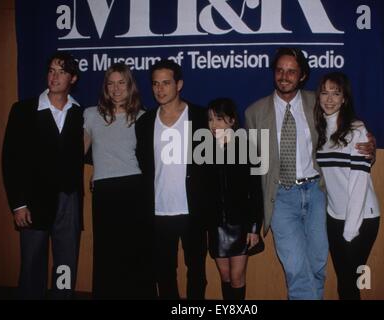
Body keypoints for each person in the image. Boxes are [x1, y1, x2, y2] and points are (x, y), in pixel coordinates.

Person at [244, 47, 375, 300]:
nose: (284, 76)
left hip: (318, 194)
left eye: (291, 71)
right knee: (295, 269)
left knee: (317, 268)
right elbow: (251, 166)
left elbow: (346, 128)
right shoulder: (254, 113)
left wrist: (369, 142)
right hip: (281, 197)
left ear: (302, 75)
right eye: (280, 70)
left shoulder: (317, 102)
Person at [2, 52, 83, 299]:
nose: (54, 76)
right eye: (51, 70)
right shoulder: (24, 110)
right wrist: (18, 204)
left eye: (61, 72)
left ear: (73, 78)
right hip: (34, 202)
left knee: (65, 264)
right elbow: (10, 160)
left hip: (69, 201)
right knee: (32, 265)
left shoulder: (79, 112)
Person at [135, 59, 209, 300]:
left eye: (166, 83)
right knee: (164, 272)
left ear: (179, 84)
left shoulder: (199, 117)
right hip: (158, 210)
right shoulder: (145, 122)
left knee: (197, 270)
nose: (160, 89)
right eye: (155, 84)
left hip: (193, 210)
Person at [83, 63, 156, 299]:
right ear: (105, 87)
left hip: (135, 190)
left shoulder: (144, 117)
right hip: (105, 191)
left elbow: (150, 159)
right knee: (107, 253)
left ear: (130, 85)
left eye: (121, 82)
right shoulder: (91, 114)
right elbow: (78, 154)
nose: (115, 88)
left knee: (137, 252)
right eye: (110, 83)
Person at [314, 72, 380, 300]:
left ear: (345, 98)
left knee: (351, 285)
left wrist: (351, 230)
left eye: (336, 93)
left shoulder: (357, 130)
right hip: (334, 217)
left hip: (362, 217)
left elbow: (359, 183)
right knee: (345, 283)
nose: (329, 99)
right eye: (324, 92)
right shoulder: (321, 130)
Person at [206, 98, 263, 300]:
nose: (214, 125)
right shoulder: (204, 151)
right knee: (225, 276)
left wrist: (254, 228)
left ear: (231, 121)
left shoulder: (247, 148)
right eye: (211, 120)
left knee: (238, 277)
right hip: (216, 225)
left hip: (241, 225)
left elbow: (256, 192)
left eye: (219, 119)